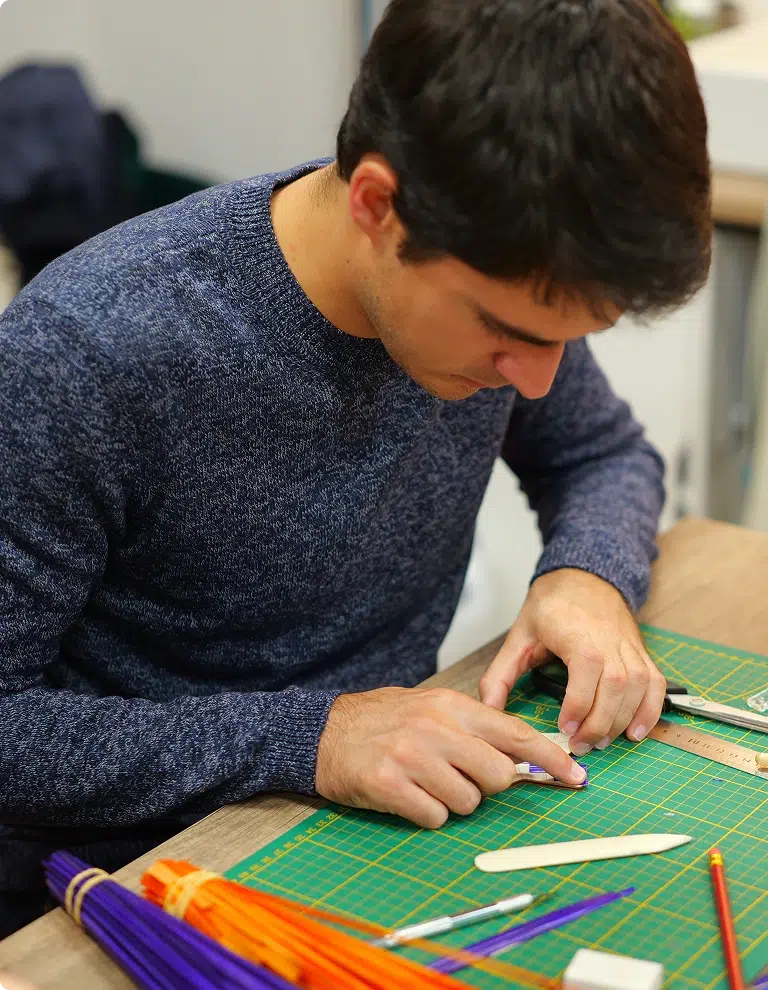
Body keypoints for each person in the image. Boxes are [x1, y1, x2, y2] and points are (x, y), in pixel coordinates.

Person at [0, 0, 710, 937]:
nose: (538, 378)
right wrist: (315, 737)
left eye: (568, 338)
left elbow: (600, 450)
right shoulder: (86, 349)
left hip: (375, 831)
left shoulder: (505, 274)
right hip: (122, 887)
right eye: (509, 331)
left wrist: (588, 575)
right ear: (377, 204)